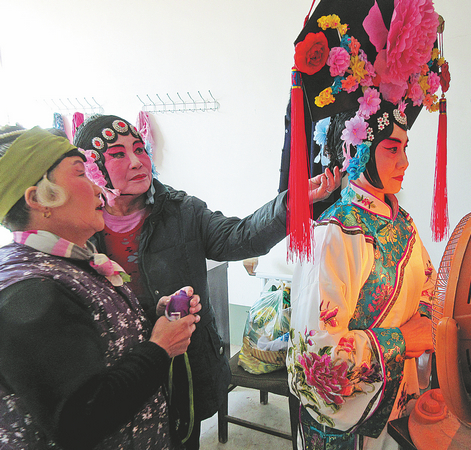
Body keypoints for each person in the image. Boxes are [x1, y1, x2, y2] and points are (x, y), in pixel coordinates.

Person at [72, 114, 340, 448]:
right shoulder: (79, 227)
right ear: (92, 167)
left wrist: (291, 204)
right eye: (117, 154)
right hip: (119, 378)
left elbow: (239, 237)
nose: (137, 161)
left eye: (139, 149)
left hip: (183, 371)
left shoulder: (182, 212)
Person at [285, 0, 448, 448]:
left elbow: (429, 289)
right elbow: (315, 356)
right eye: (391, 149)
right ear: (354, 149)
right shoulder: (334, 232)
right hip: (344, 422)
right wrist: (401, 342)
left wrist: (428, 323)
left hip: (396, 401)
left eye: (405, 148)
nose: (405, 162)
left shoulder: (402, 223)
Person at [0, 126, 200, 449]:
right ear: (38, 199)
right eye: (81, 174)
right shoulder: (27, 291)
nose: (98, 189)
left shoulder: (67, 260)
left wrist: (153, 316)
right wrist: (160, 347)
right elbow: (80, 419)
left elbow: (97, 336)